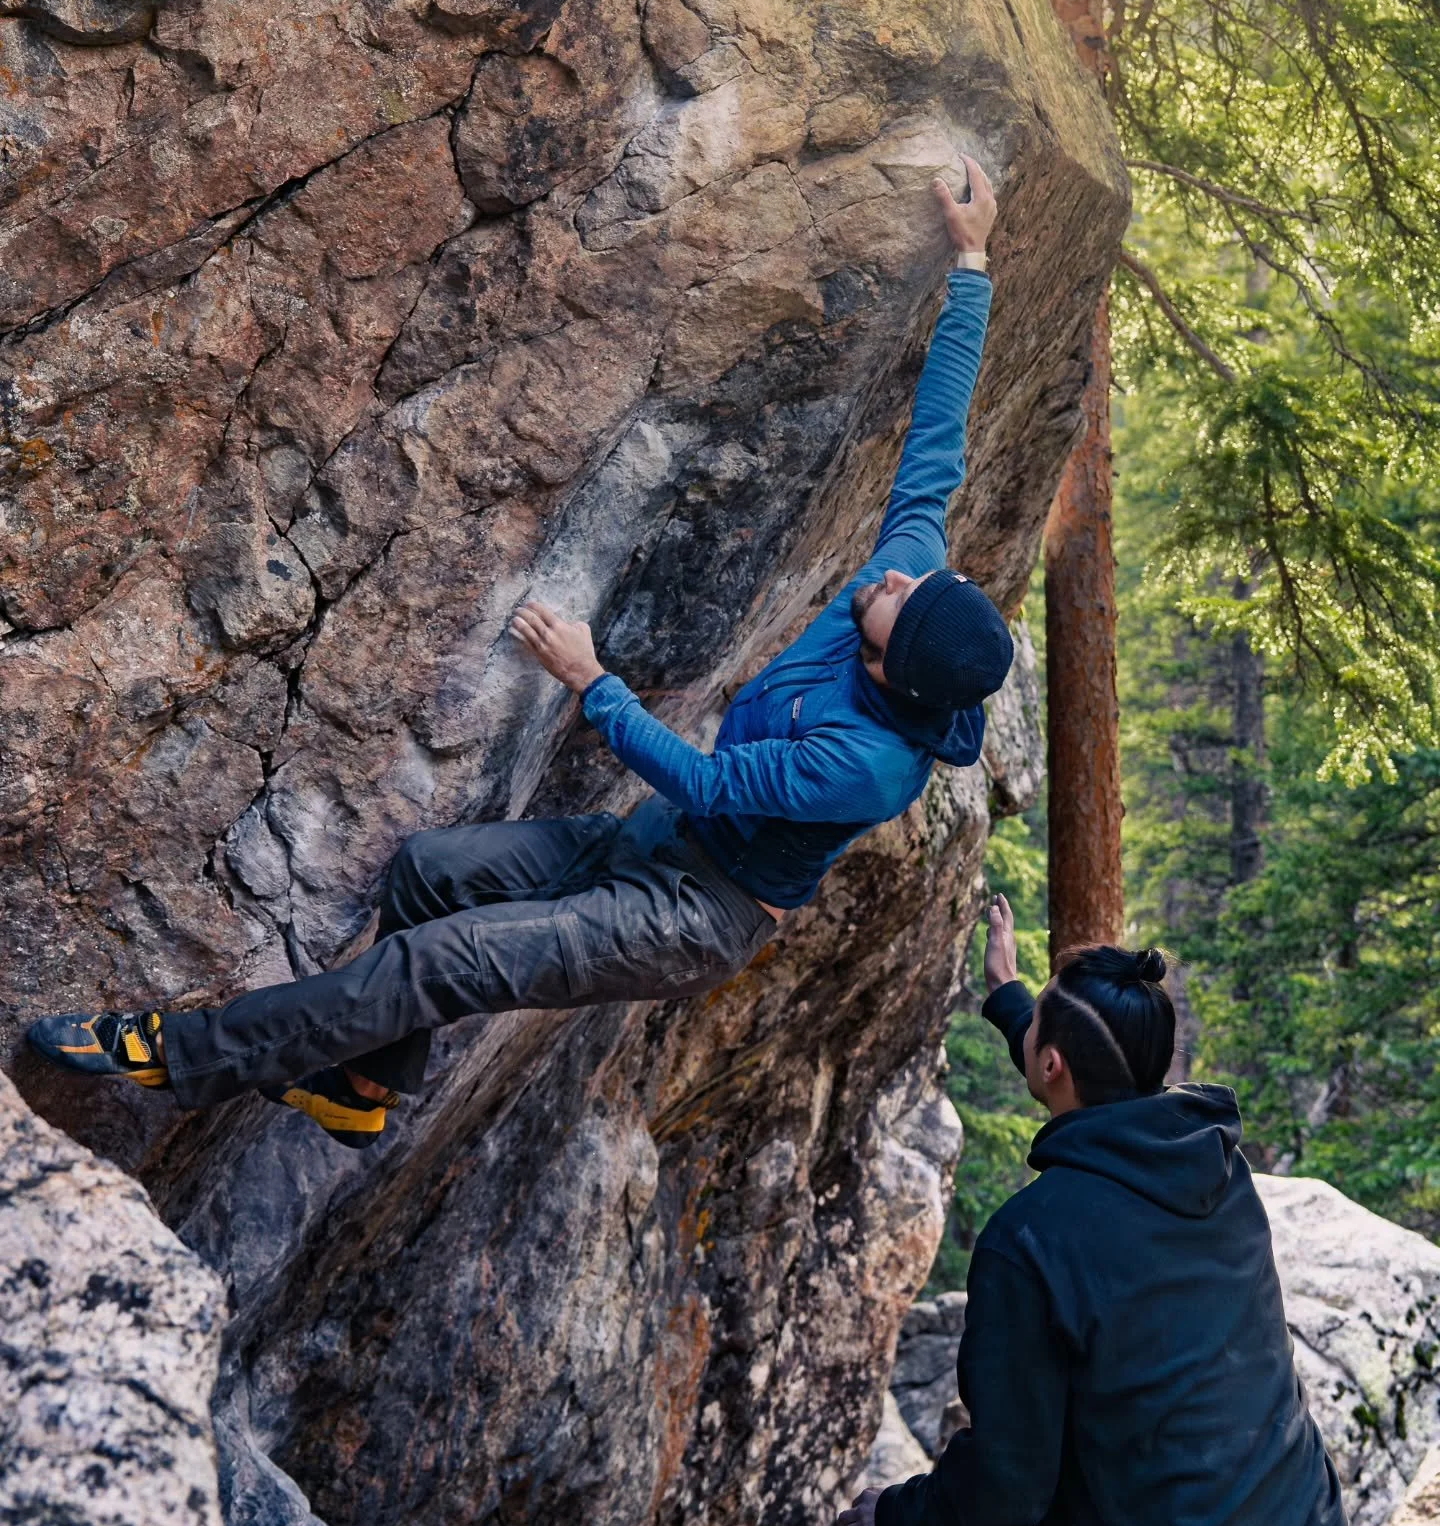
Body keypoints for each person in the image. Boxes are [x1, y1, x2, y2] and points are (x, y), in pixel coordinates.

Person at [29, 159, 1015, 1149]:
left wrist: (593, 683)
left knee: (433, 965)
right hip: (655, 845)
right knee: (428, 872)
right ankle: (359, 1087)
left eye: (902, 599)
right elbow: (936, 453)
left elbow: (710, 783)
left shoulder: (871, 765)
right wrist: (971, 264)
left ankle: (173, 1054)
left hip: (693, 913)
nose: (890, 579)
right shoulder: (898, 599)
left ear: (901, 670)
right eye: (910, 576)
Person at [837, 901, 1360, 1526]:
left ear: (1051, 1064)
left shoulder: (1028, 1241)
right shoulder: (1217, 1170)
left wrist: (896, 1513)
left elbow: (1009, 1485)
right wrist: (1010, 997)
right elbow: (1093, 1082)